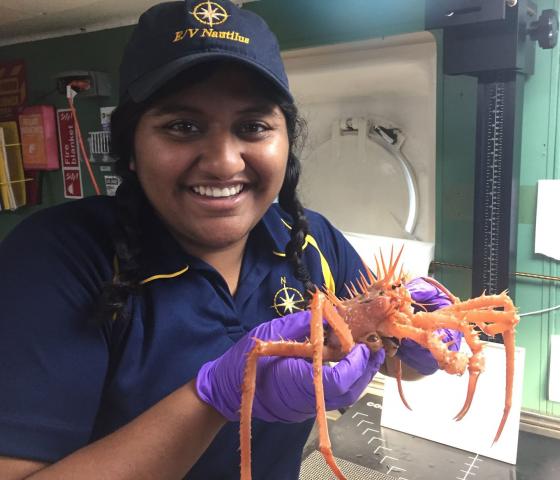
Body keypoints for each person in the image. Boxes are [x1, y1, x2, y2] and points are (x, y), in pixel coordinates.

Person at [0, 1, 459, 479]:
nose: (224, 162)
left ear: (286, 143)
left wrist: (421, 341)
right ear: (131, 149)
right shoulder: (56, 260)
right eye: (183, 126)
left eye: (253, 127)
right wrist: (215, 393)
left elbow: (395, 362)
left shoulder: (312, 242)